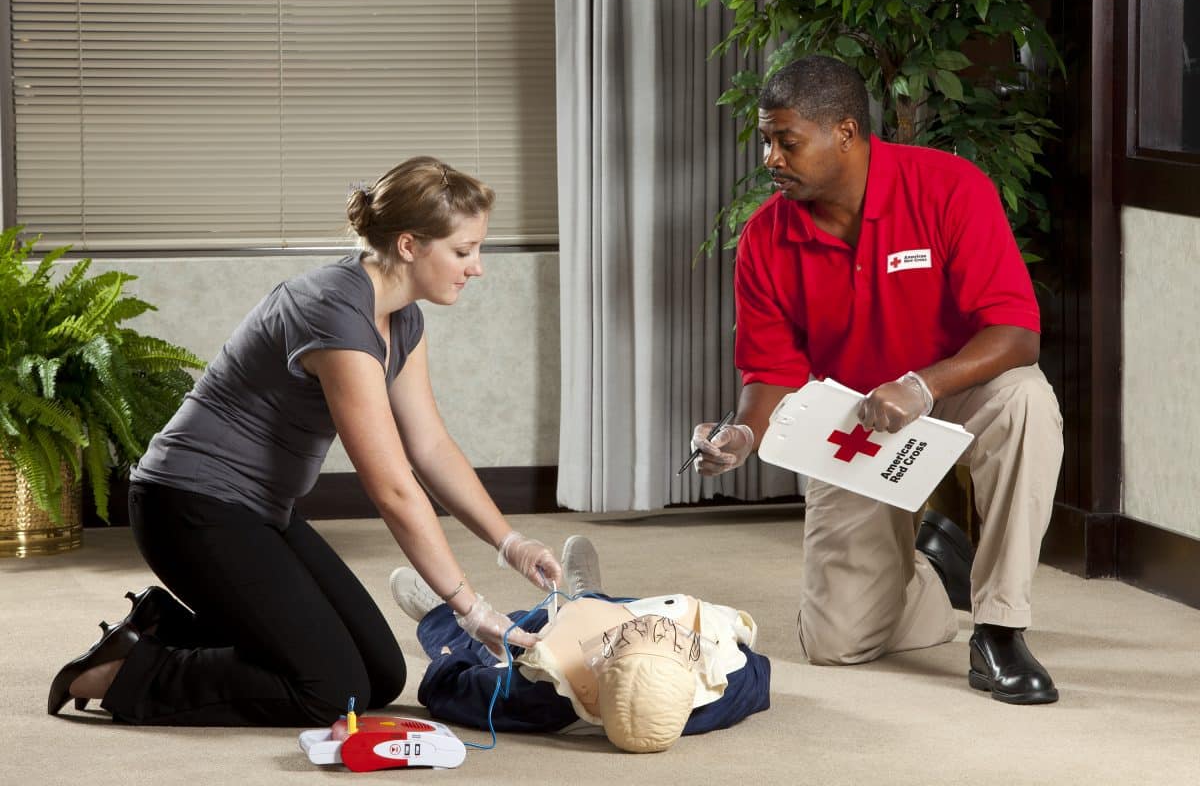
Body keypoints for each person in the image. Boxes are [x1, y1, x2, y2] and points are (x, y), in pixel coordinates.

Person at [48, 156, 563, 725]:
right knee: (330, 690)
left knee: (381, 677)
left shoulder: (403, 318)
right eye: (464, 251)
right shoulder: (335, 314)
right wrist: (469, 608)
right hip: (190, 507)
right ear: (412, 245)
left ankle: (160, 627)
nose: (478, 268)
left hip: (262, 510)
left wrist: (509, 542)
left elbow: (430, 447)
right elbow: (392, 487)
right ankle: (126, 675)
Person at [690, 56, 1064, 705]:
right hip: (858, 420)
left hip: (956, 392)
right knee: (836, 642)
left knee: (1026, 397)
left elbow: (1015, 332)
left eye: (787, 140)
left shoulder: (949, 187)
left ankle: (999, 628)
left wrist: (922, 386)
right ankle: (925, 570)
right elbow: (772, 371)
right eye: (767, 140)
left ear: (845, 132)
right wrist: (742, 435)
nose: (771, 157)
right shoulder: (766, 239)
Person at [387, 535, 771, 752]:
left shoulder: (541, 698)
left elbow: (446, 689)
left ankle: (438, 616)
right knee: (640, 609)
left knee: (515, 631)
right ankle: (594, 595)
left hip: (556, 643)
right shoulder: (731, 687)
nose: (653, 629)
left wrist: (459, 627)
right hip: (637, 620)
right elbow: (758, 663)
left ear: (599, 669)